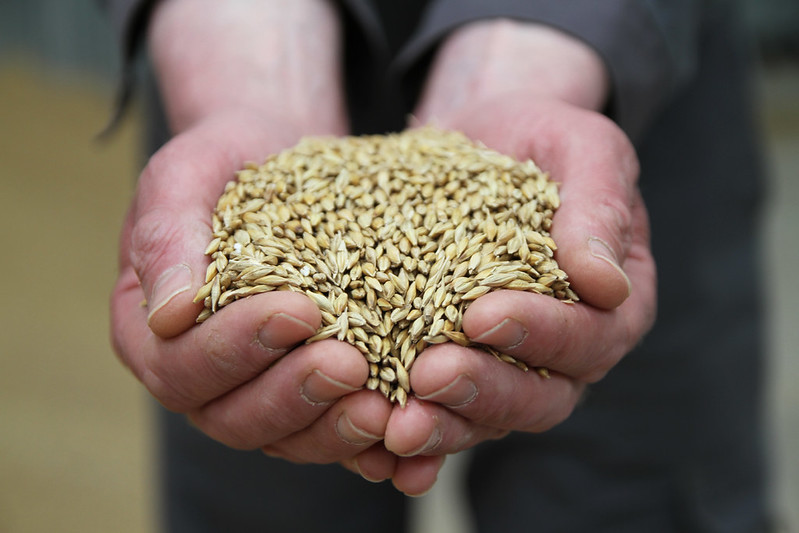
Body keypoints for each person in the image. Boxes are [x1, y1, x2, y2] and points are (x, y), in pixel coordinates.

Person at [102, 0, 772, 531]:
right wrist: (240, 38)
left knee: (619, 488)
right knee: (262, 472)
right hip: (243, 60)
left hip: (612, 64)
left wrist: (533, 39)